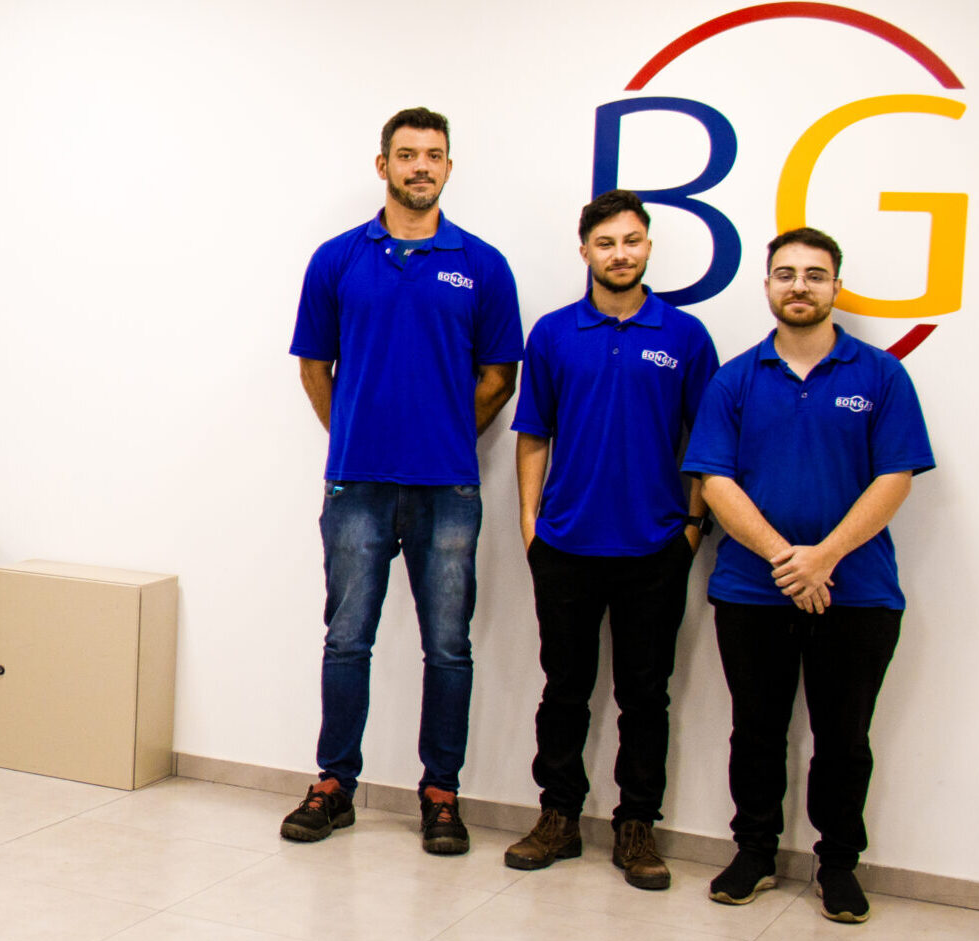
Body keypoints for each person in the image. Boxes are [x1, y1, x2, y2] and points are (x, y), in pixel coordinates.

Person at [282, 106, 522, 854]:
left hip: (447, 490)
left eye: (434, 155)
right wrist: (353, 435)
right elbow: (314, 367)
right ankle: (334, 785)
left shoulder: (482, 265)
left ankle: (441, 794)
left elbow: (499, 377)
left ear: (449, 167)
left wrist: (443, 436)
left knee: (448, 647)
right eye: (408, 154)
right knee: (346, 640)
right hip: (356, 485)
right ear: (382, 165)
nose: (422, 166)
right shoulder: (337, 259)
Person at [684, 227, 934, 923]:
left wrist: (823, 557)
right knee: (755, 732)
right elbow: (715, 481)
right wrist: (786, 560)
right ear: (767, 285)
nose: (800, 286)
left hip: (858, 593)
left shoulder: (880, 375)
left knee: (844, 739)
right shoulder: (735, 378)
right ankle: (755, 853)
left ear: (835, 287)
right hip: (751, 592)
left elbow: (895, 477)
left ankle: (838, 864)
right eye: (786, 274)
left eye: (815, 275)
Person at [506, 190, 718, 890]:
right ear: (585, 252)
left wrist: (692, 528)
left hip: (655, 549)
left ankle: (637, 825)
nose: (619, 254)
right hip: (566, 545)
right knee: (565, 691)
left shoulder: (685, 337)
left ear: (648, 247)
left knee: (645, 696)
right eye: (606, 243)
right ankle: (558, 816)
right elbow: (533, 435)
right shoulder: (553, 334)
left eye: (631, 241)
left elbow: (707, 444)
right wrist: (531, 525)